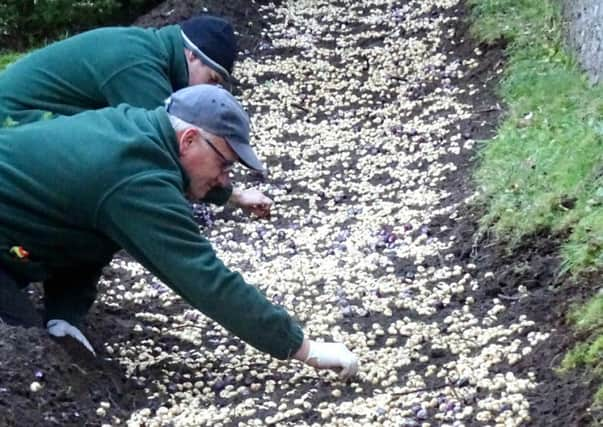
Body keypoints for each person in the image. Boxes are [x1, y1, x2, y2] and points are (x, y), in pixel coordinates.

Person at [0, 84, 359, 379]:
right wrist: (305, 349)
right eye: (224, 164)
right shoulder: (135, 181)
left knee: (43, 335)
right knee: (28, 353)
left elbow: (90, 233)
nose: (225, 177)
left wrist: (66, 315)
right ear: (188, 140)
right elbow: (203, 278)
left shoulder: (138, 130)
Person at [0, 14, 272, 218]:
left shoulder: (150, 52)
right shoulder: (139, 66)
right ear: (191, 55)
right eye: (212, 79)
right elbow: (160, 152)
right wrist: (222, 196)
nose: (209, 91)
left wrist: (230, 195)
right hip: (14, 124)